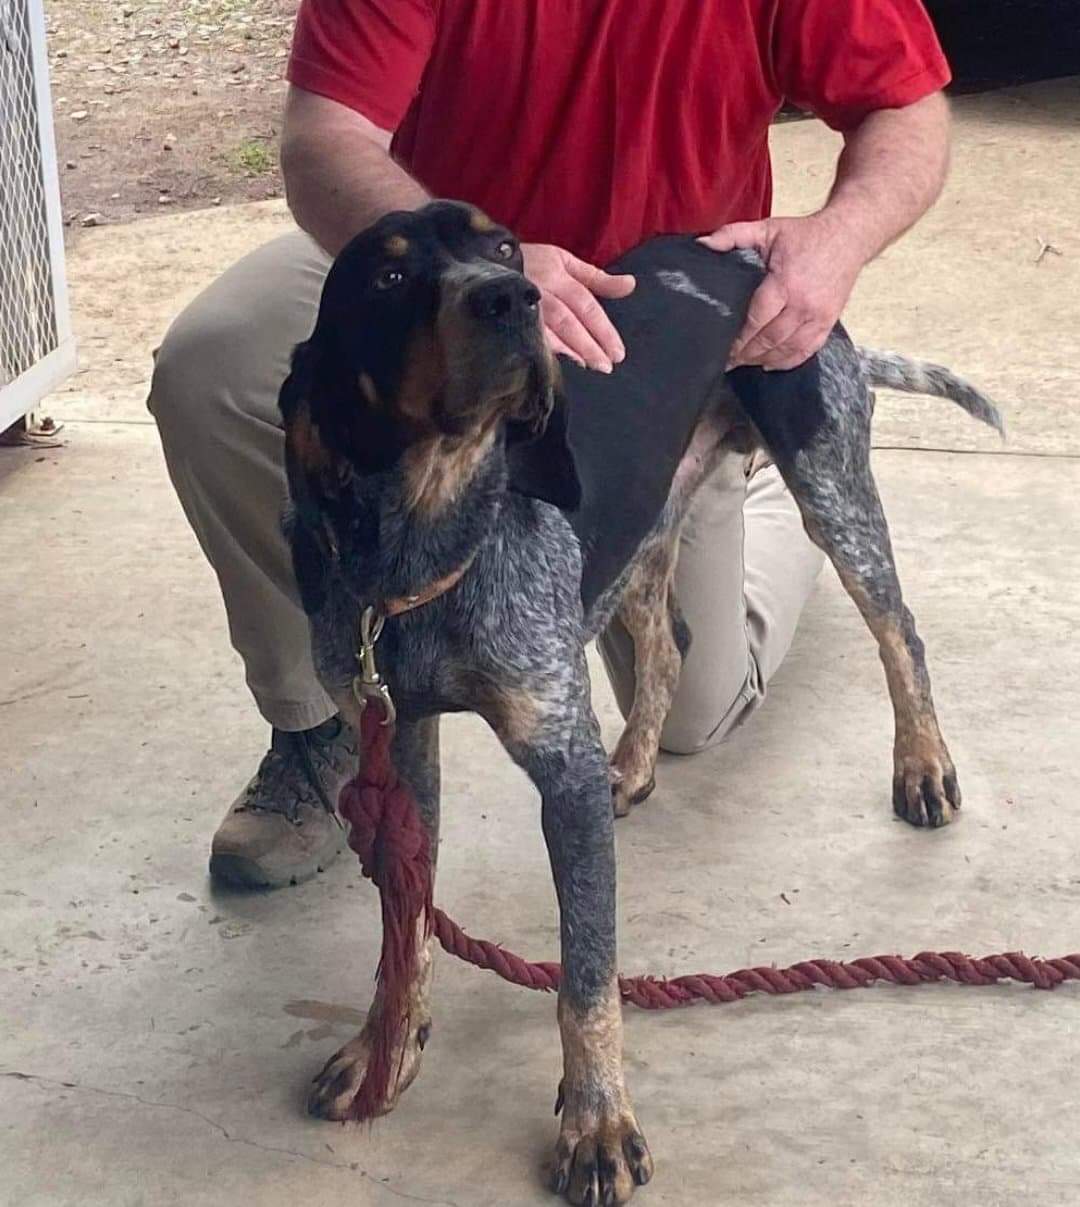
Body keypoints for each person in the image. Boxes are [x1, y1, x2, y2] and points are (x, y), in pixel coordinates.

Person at [148, 0, 953, 889]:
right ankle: (322, 726)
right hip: (442, 283)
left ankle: (754, 479)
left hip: (663, 327)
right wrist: (478, 266)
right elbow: (324, 135)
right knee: (214, 363)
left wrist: (837, 240)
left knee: (689, 711)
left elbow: (908, 109)